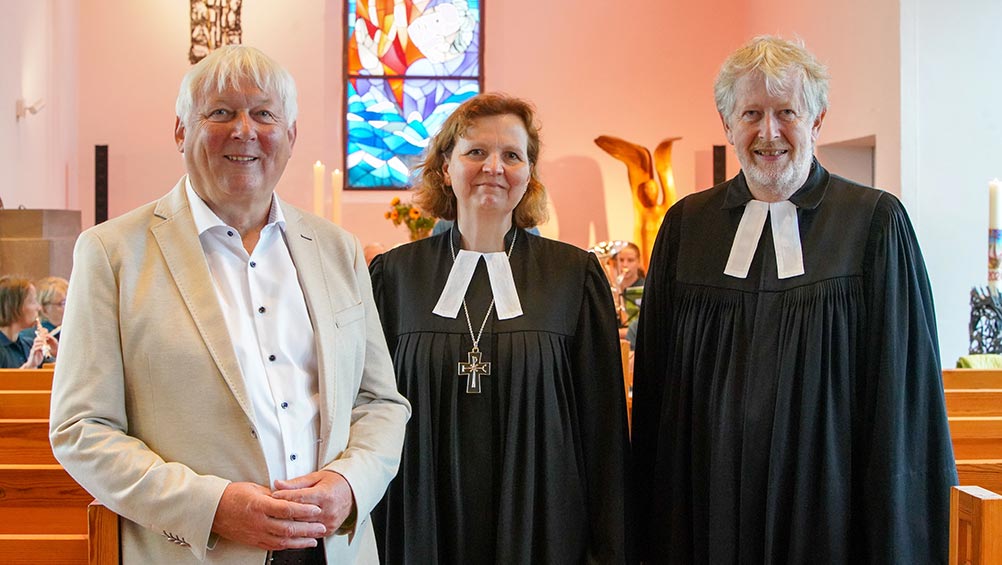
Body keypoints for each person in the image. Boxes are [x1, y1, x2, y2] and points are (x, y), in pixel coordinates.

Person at [49, 45, 410, 564]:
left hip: (330, 550)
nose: (244, 130)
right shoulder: (113, 254)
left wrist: (348, 484)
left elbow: (380, 403)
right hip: (197, 551)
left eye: (264, 113)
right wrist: (211, 506)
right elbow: (81, 430)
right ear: (180, 130)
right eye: (221, 112)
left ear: (290, 135)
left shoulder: (338, 249)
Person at [631, 35, 956, 563]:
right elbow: (655, 393)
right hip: (704, 503)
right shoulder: (687, 227)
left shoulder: (873, 223)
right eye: (751, 113)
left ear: (818, 119)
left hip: (829, 506)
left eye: (787, 112)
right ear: (727, 124)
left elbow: (904, 394)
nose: (769, 132)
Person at [370, 92, 631, 563]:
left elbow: (603, 427)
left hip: (543, 521)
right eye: (476, 152)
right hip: (421, 517)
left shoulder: (573, 276)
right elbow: (367, 413)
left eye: (512, 155)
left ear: (528, 174)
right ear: (446, 167)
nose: (494, 166)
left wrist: (609, 548)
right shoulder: (396, 277)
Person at [0, 276, 58, 368]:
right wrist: (29, 367)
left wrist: (57, 353)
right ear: (14, 306)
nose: (38, 308)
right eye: (32, 301)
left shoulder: (29, 345)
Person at [20, 276, 68, 343]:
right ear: (44, 309)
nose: (67, 309)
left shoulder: (71, 332)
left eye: (69, 304)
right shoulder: (29, 338)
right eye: (63, 303)